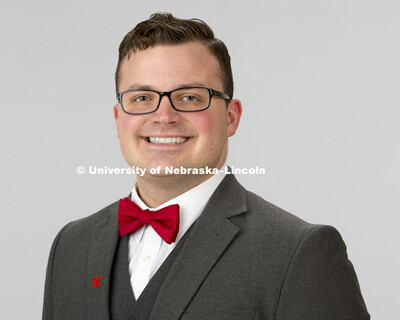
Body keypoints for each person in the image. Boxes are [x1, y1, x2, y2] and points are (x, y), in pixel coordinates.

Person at [42, 13, 369, 320]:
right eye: (142, 98)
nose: (164, 116)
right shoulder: (70, 246)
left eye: (190, 97)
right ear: (118, 119)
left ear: (231, 117)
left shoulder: (299, 254)